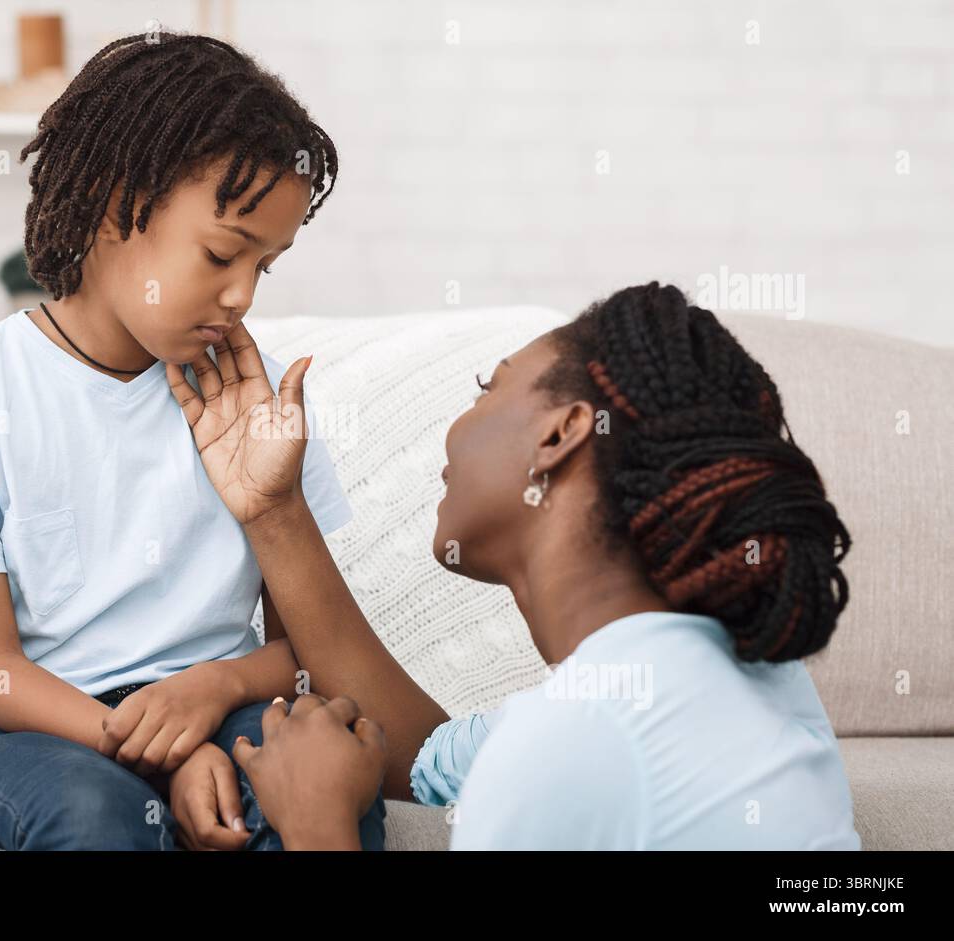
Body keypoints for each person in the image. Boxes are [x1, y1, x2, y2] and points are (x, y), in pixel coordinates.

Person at [0, 31, 386, 850]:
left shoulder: (249, 406)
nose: (241, 294)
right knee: (96, 817)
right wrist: (159, 753)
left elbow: (301, 650)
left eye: (268, 265)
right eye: (224, 252)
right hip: (33, 729)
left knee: (328, 778)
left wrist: (213, 690)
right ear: (117, 202)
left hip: (218, 702)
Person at [167, 281, 861, 850]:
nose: (458, 425)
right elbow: (423, 754)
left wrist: (316, 822)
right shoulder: (731, 675)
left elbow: (552, 756)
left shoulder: (576, 740)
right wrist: (274, 508)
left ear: (559, 434)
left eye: (486, 388)